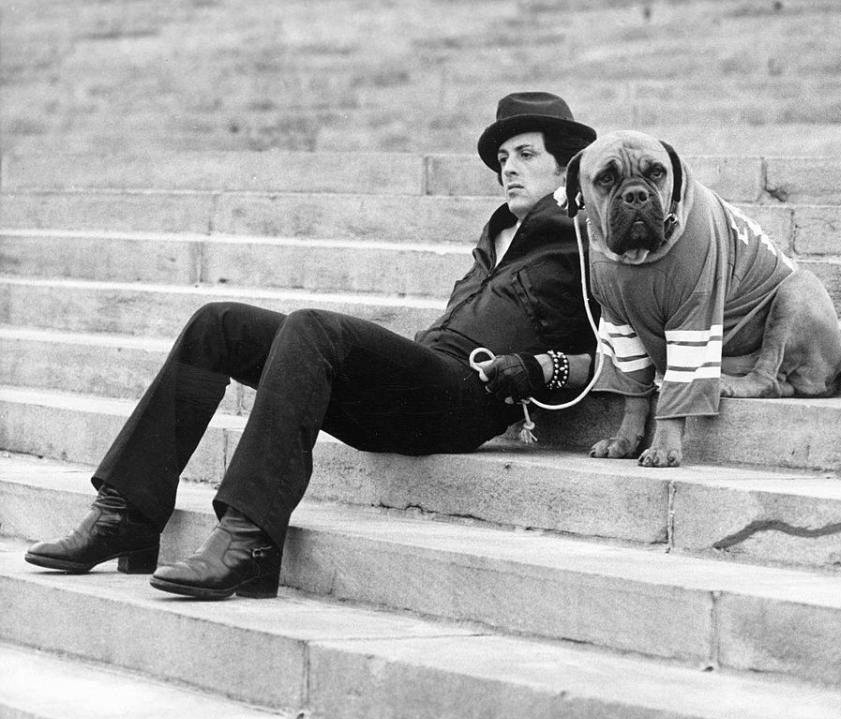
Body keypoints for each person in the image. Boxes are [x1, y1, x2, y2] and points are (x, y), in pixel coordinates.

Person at [24, 92, 599, 600]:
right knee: (217, 322)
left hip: (467, 398)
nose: (508, 170)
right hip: (418, 386)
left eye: (526, 155)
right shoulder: (495, 238)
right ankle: (127, 512)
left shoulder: (587, 239)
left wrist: (541, 367)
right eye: (503, 160)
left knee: (313, 325)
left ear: (568, 165)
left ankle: (248, 539)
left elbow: (622, 354)